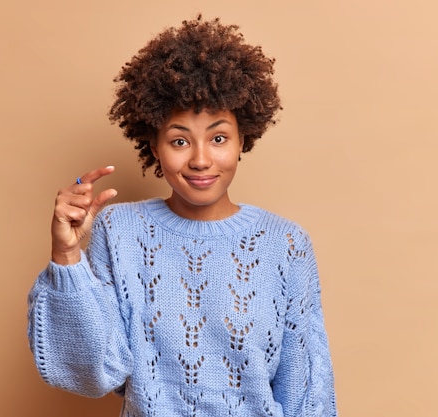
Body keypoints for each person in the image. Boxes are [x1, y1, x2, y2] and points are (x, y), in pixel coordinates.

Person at [28, 16, 337, 417]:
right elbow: (94, 373)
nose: (201, 159)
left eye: (219, 138)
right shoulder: (118, 231)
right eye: (179, 141)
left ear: (244, 139)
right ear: (154, 146)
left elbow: (307, 393)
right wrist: (67, 257)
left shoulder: (286, 244)